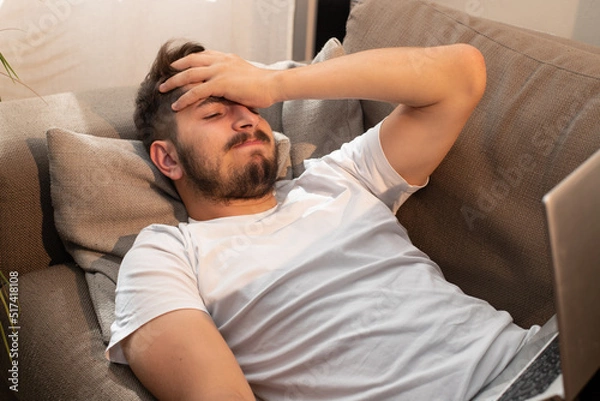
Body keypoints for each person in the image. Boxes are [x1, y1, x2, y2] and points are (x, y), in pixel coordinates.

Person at [106, 40, 539, 401]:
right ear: (167, 157)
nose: (245, 119)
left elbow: (462, 73)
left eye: (249, 105)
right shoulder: (166, 254)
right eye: (215, 114)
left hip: (534, 357)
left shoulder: (340, 176)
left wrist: (273, 82)